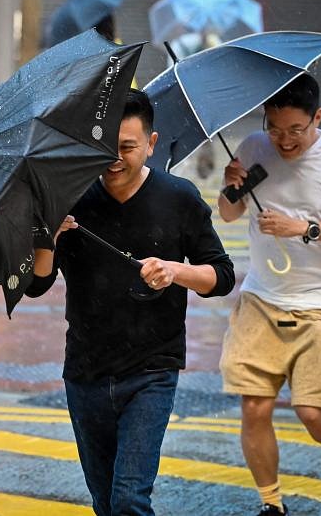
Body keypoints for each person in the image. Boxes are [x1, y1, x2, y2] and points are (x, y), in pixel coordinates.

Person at [26, 89, 235, 516]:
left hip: (151, 372)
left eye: (127, 148)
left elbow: (222, 276)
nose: (114, 159)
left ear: (151, 144)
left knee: (128, 499)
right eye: (105, 147)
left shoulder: (178, 197)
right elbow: (36, 285)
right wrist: (47, 234)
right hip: (85, 371)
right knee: (105, 502)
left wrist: (176, 270)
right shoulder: (72, 200)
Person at [217, 74, 321, 516]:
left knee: (313, 411)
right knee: (254, 406)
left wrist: (302, 228)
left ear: (318, 118)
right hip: (262, 297)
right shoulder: (253, 148)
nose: (284, 140)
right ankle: (272, 505)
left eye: (295, 130)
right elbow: (229, 214)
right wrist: (231, 185)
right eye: (275, 128)